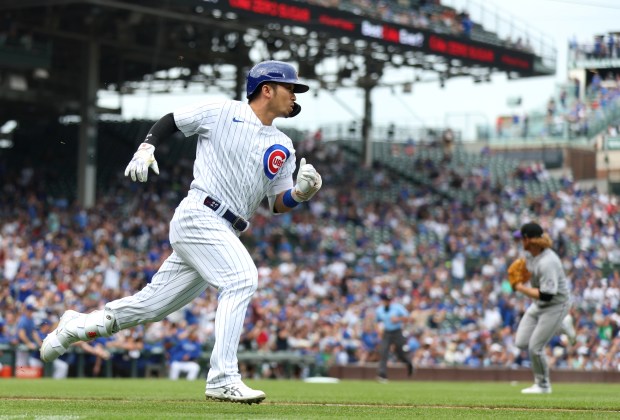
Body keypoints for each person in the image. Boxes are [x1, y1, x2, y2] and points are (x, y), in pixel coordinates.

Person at [40, 60, 322, 404]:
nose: (295, 94)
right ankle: (223, 378)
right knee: (242, 278)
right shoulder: (222, 111)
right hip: (200, 214)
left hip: (225, 230)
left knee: (149, 308)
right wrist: (147, 146)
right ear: (267, 89)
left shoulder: (284, 145)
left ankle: (77, 326)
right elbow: (172, 120)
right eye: (290, 87)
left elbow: (276, 204)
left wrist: (301, 193)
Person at [512, 222, 571, 394]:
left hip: (555, 304)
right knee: (521, 342)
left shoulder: (549, 261)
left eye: (521, 238)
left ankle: (543, 385)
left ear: (528, 240)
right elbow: (527, 268)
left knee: (535, 348)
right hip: (539, 305)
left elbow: (547, 295)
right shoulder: (530, 254)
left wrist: (521, 288)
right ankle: (561, 326)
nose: (519, 241)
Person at [375, 293, 413, 383]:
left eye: (389, 300)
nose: (388, 302)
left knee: (400, 353)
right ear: (383, 301)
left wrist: (398, 319)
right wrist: (379, 332)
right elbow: (376, 322)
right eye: (386, 300)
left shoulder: (397, 307)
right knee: (383, 352)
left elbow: (408, 318)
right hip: (387, 332)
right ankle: (382, 374)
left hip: (397, 332)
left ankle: (409, 364)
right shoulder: (379, 310)